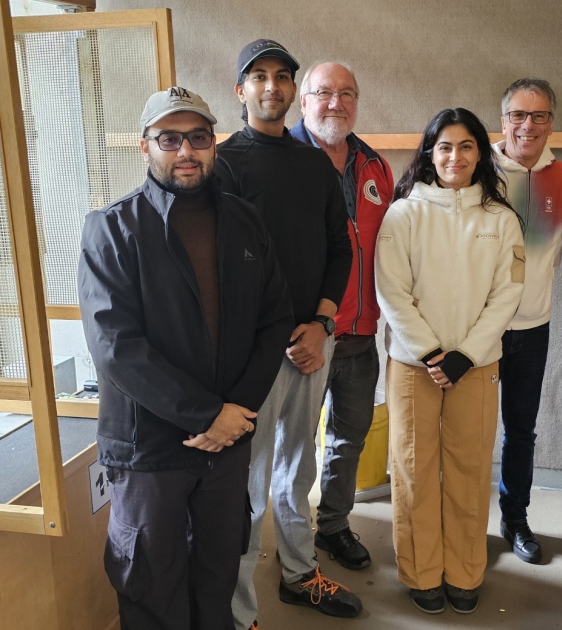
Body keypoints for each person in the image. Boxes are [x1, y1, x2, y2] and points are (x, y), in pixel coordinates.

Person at [77, 86, 293, 630]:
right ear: (145, 147)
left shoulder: (246, 222)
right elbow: (115, 346)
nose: (186, 151)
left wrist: (236, 411)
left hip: (226, 445)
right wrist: (206, 415)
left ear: (214, 143)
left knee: (217, 578)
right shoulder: (113, 229)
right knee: (152, 586)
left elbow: (275, 320)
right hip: (148, 449)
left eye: (198, 137)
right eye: (169, 139)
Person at [213, 40, 360, 630]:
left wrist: (322, 324)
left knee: (299, 471)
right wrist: (265, 337)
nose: (271, 86)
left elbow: (339, 249)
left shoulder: (314, 164)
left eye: (281, 76)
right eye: (258, 76)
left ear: (293, 90)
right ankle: (237, 610)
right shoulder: (223, 164)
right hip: (251, 353)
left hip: (311, 346)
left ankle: (300, 574)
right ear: (241, 90)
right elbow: (219, 266)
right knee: (247, 486)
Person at [376, 107, 525, 615]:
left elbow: (507, 294)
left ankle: (464, 571)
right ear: (429, 153)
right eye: (444, 146)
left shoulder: (501, 219)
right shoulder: (403, 214)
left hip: (477, 366)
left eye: (465, 146)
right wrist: (431, 352)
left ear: (480, 153)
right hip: (412, 364)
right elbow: (391, 291)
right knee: (414, 468)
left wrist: (466, 354)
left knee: (469, 467)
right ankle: (421, 572)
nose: (454, 156)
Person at [292, 61, 394, 571]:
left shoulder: (374, 165)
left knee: (349, 439)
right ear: (303, 100)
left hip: (360, 333)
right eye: (324, 93)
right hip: (306, 335)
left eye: (347, 93)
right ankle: (292, 543)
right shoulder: (284, 161)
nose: (336, 103)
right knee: (295, 447)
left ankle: (333, 525)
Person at [490, 77, 562, 565]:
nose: (528, 125)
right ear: (503, 121)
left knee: (521, 430)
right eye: (518, 115)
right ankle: (461, 522)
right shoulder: (476, 169)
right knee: (467, 431)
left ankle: (515, 518)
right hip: (479, 329)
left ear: (550, 123)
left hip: (533, 327)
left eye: (539, 116)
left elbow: (559, 249)